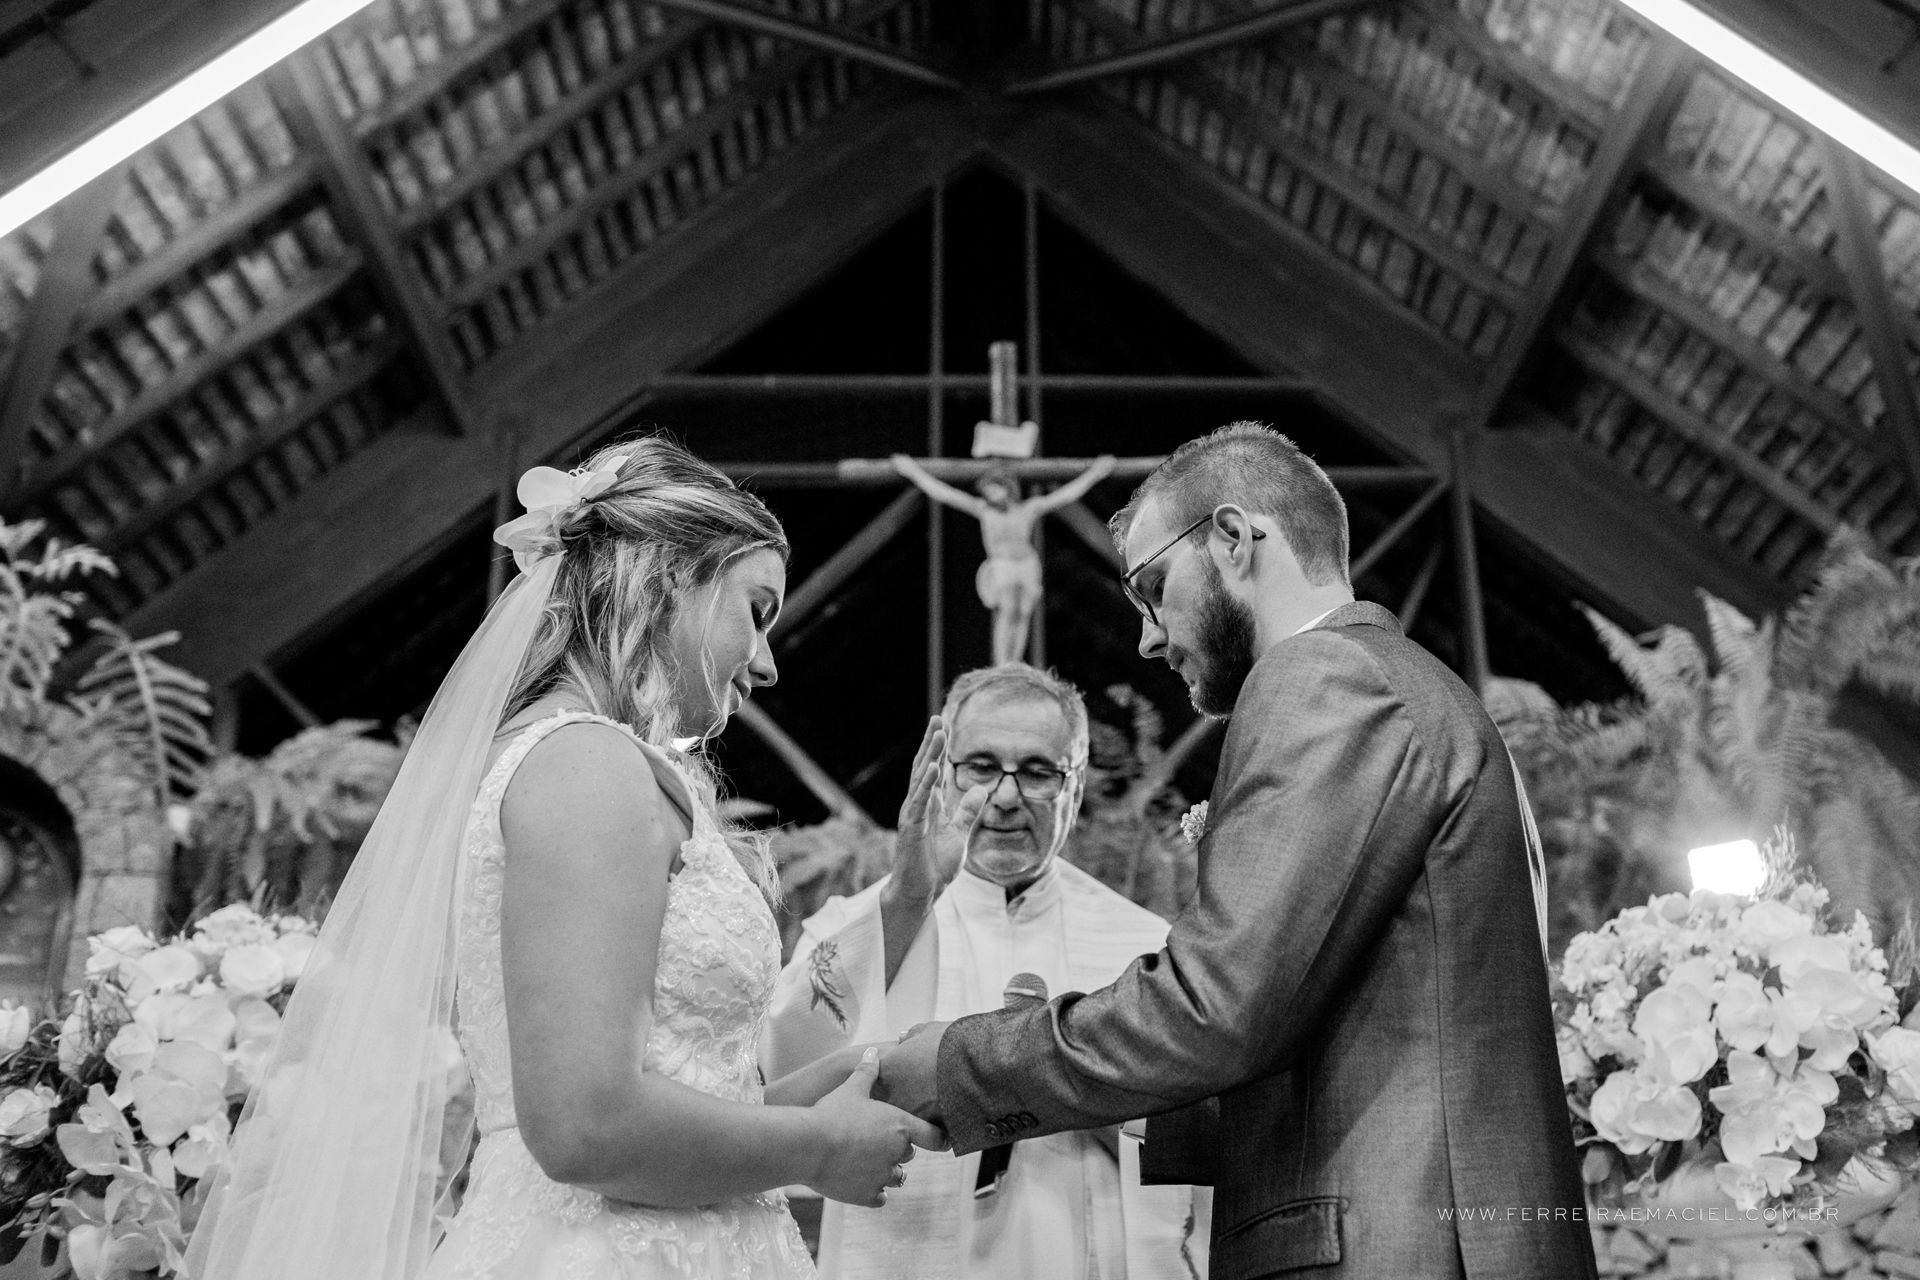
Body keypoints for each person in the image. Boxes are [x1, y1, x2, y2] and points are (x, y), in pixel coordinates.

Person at [187, 437, 943, 1280]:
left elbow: (668, 1107)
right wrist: (819, 1148)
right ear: (666, 581)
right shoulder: (585, 765)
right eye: (756, 610)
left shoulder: (590, 763)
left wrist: (843, 1080)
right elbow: (587, 1127)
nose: (766, 663)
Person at [879, 423, 1595, 1279]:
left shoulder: (1328, 679)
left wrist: (963, 1064)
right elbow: (1328, 1030)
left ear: (1231, 537)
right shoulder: (1410, 690)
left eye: (1151, 586)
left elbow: (1215, 1007)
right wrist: (1138, 1112)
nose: (1147, 634)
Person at [764, 664, 1208, 1280]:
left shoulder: (1147, 945)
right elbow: (785, 1070)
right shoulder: (875, 922)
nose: (1005, 796)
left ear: (1075, 787)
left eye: (1036, 771)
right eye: (980, 765)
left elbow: (1197, 1136)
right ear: (942, 776)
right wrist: (909, 896)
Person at [891, 453, 1116, 665]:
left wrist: (1095, 472)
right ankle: (1001, 661)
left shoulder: (1027, 509)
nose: (990, 495)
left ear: (1007, 489)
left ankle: (1014, 661)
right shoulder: (984, 510)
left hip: (1026, 564)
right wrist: (912, 471)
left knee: (1022, 613)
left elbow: (1065, 495)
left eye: (994, 490)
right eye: (987, 492)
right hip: (1002, 565)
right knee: (1008, 610)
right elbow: (944, 493)